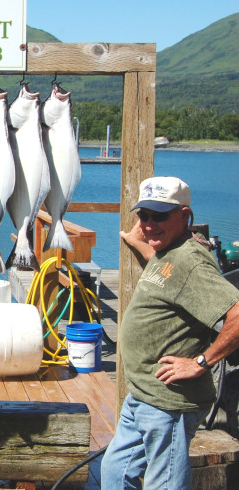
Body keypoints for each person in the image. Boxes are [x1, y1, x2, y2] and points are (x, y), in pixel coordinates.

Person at [101, 176, 239, 490]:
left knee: (164, 485)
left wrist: (201, 362)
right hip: (142, 394)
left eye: (160, 215)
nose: (149, 224)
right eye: (144, 215)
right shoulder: (167, 253)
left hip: (168, 403)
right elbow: (169, 278)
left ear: (185, 216)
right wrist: (140, 244)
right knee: (113, 472)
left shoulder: (190, 262)